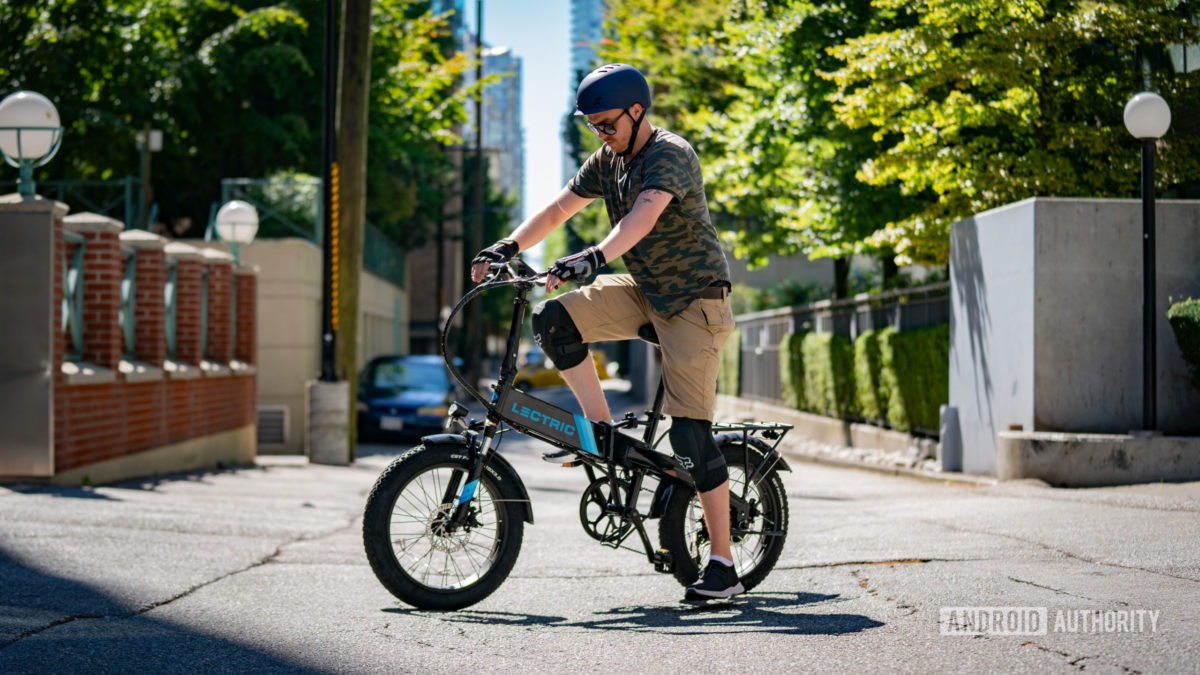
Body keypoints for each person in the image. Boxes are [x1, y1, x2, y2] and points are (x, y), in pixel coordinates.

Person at [470, 63, 739, 602]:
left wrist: (592, 257)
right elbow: (560, 207)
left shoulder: (669, 153)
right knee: (554, 319)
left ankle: (723, 563)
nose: (601, 134)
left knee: (689, 436)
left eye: (608, 124)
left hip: (694, 300)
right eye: (592, 126)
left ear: (637, 112)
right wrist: (508, 246)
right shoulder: (608, 160)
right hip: (646, 289)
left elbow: (639, 220)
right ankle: (600, 435)